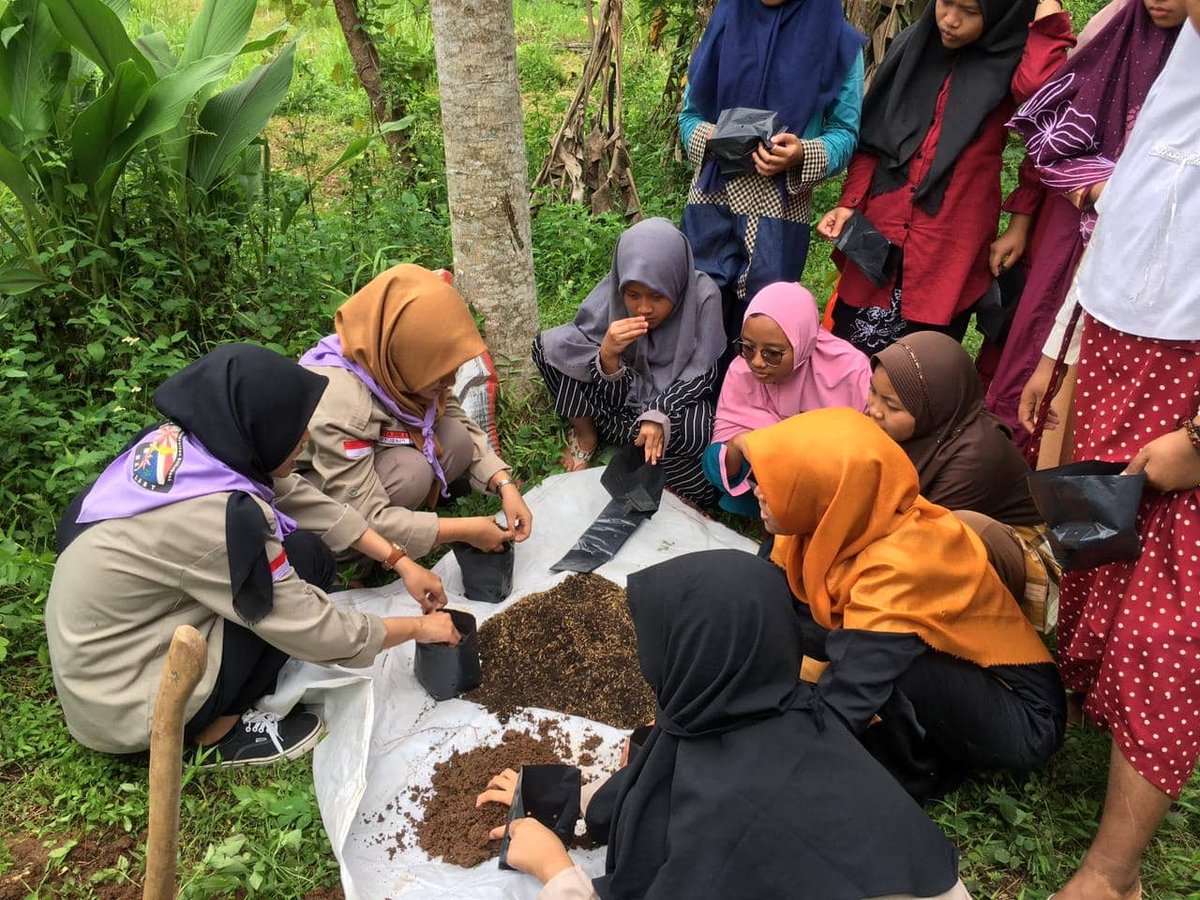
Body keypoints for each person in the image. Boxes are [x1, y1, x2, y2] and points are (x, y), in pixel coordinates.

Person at [45, 344, 460, 767]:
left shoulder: (194, 448)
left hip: (109, 659)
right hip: (129, 706)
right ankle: (215, 733)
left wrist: (400, 560)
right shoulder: (216, 520)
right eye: (294, 428)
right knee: (274, 605)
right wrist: (417, 629)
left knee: (307, 556)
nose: (307, 438)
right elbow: (310, 626)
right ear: (260, 427)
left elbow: (301, 498)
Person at [477, 550, 970, 900]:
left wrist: (556, 871)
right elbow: (674, 771)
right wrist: (576, 796)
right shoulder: (785, 712)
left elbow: (704, 830)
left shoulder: (732, 809)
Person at [1019, 10, 1200, 897]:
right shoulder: (1164, 56)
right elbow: (1128, 223)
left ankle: (1113, 872)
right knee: (1100, 551)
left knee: (1171, 625)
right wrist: (1067, 347)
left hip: (1188, 390)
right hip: (1124, 346)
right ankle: (1094, 737)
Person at [741, 409, 1065, 801]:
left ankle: (917, 754)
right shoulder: (825, 522)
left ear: (824, 489)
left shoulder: (903, 563)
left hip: (1019, 713)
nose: (759, 489)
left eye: (778, 482)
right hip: (938, 666)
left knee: (889, 659)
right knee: (795, 617)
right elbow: (756, 601)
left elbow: (848, 699)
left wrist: (772, 764)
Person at [984, 0, 1185, 461]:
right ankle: (1014, 468)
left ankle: (1073, 480)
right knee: (1042, 336)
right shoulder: (1114, 30)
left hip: (1158, 251)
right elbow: (1050, 118)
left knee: (1104, 370)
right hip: (1072, 220)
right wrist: (1093, 190)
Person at [816, 0, 1073, 355]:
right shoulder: (912, 47)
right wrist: (849, 203)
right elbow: (873, 138)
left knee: (920, 374)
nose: (950, 20)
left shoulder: (1010, 62)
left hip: (950, 241)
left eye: (969, 11)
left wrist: (1047, 12)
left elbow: (1044, 111)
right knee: (845, 358)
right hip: (880, 229)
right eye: (946, 3)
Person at [298, 264, 533, 559]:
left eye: (453, 370)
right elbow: (364, 515)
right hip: (324, 494)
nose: (450, 382)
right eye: (440, 374)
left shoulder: (387, 357)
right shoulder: (342, 406)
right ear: (402, 356)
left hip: (375, 452)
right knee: (411, 473)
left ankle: (413, 515)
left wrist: (504, 483)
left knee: (456, 437)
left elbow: (451, 414)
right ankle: (354, 559)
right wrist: (463, 530)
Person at [678, 0, 865, 361]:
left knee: (763, 326)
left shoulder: (836, 40)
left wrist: (800, 154)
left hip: (779, 212)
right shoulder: (728, 19)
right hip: (712, 202)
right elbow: (689, 115)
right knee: (700, 310)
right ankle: (696, 410)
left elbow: (844, 131)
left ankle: (752, 413)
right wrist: (718, 138)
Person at [531, 218, 725, 506]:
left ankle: (660, 466)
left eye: (657, 296)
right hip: (619, 405)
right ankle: (587, 436)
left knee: (699, 427)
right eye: (633, 295)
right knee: (550, 348)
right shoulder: (614, 289)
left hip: (671, 405)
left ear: (677, 282)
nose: (643, 308)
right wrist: (608, 356)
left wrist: (659, 413)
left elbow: (704, 373)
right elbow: (577, 348)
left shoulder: (702, 295)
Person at [702, 281, 870, 515]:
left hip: (829, 488)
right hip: (765, 487)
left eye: (772, 353)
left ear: (802, 342)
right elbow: (717, 459)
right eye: (748, 347)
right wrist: (739, 443)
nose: (757, 362)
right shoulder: (741, 371)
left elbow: (867, 452)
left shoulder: (850, 372)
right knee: (716, 456)